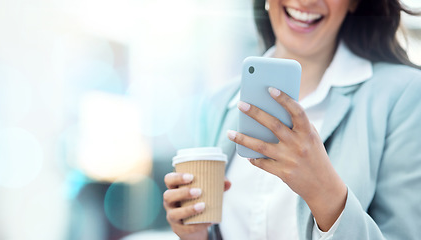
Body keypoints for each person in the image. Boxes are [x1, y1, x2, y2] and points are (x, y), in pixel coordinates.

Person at [163, 0, 421, 239]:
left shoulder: (403, 95)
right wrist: (195, 235)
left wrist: (324, 192)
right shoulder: (219, 104)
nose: (306, 1)